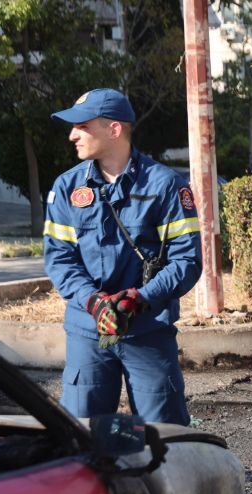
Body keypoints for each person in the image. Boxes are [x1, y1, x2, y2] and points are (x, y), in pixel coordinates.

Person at [43, 88, 202, 425]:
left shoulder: (167, 186)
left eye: (82, 127)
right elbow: (59, 259)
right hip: (88, 332)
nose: (72, 135)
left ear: (114, 129)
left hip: (146, 331)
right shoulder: (67, 188)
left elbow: (187, 260)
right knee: (81, 438)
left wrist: (140, 299)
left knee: (165, 436)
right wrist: (93, 302)